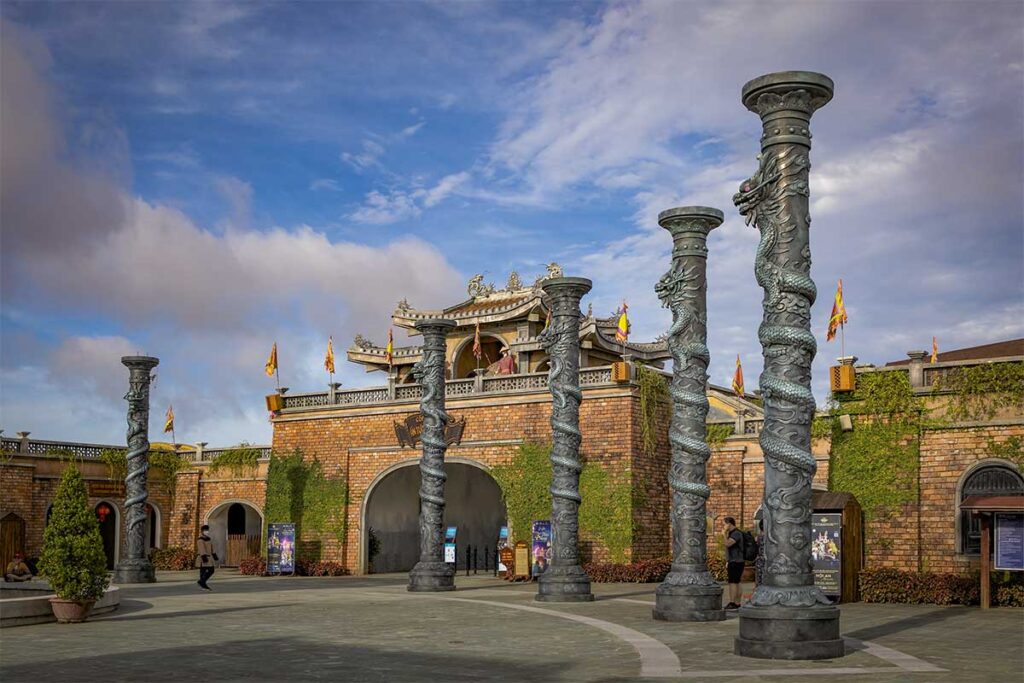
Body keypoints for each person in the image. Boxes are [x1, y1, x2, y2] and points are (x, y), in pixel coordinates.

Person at [723, 516, 745, 609]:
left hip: (735, 561)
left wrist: (724, 534)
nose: (723, 526)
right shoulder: (734, 533)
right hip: (737, 561)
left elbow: (728, 543)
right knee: (737, 581)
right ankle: (737, 602)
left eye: (724, 524)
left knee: (732, 582)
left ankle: (733, 602)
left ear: (729, 524)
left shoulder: (735, 533)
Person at [196, 525, 218, 591]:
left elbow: (212, 548)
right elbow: (201, 549)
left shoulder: (209, 539)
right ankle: (203, 584)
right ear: (202, 531)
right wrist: (204, 557)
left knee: (211, 570)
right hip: (203, 557)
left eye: (207, 530)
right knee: (203, 571)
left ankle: (201, 582)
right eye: (205, 530)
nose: (206, 532)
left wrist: (214, 556)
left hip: (209, 557)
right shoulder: (200, 540)